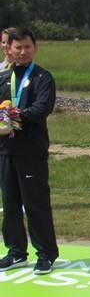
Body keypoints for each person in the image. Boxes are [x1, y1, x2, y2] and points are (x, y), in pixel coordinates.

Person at [0, 27, 59, 275]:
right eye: (18, 47)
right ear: (9, 49)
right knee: (10, 203)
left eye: (27, 47)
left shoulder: (42, 77)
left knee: (35, 203)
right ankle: (15, 252)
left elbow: (42, 108)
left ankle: (45, 254)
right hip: (5, 150)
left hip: (31, 150)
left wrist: (16, 115)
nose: (23, 52)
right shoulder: (3, 78)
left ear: (35, 48)